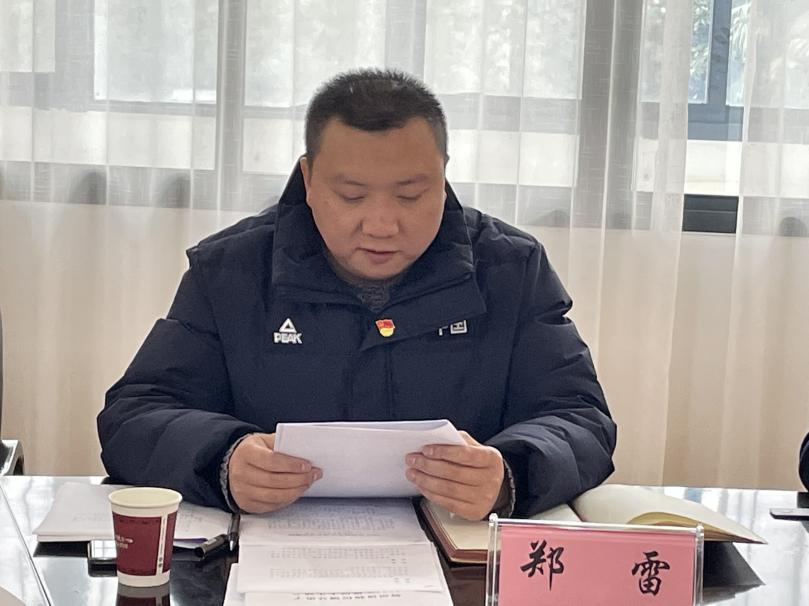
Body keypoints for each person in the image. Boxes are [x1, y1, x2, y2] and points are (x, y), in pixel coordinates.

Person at [98, 69, 616, 520]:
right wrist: (223, 461)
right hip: (272, 555)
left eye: (411, 195)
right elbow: (135, 416)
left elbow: (580, 417)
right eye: (351, 196)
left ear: (443, 176)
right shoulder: (232, 271)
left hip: (458, 557)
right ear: (308, 179)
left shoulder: (510, 269)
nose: (381, 224)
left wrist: (509, 473)